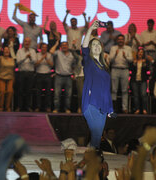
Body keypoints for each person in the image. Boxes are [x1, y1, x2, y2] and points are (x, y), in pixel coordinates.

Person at [82, 20, 114, 148]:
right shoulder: (89, 62)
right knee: (95, 135)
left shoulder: (104, 67)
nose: (96, 46)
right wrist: (90, 30)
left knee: (97, 138)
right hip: (90, 103)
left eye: (98, 44)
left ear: (101, 48)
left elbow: (107, 91)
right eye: (93, 44)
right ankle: (92, 162)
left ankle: (91, 162)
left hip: (103, 107)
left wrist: (110, 109)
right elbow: (84, 47)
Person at [109, 34, 133, 113]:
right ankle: (113, 107)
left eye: (122, 39)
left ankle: (125, 108)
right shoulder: (113, 48)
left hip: (125, 70)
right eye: (119, 39)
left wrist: (125, 56)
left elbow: (131, 60)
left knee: (125, 90)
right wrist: (115, 54)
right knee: (114, 90)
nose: (120, 41)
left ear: (124, 40)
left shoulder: (128, 48)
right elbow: (110, 60)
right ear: (117, 40)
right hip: (115, 69)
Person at [50, 41, 75, 113]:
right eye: (63, 45)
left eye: (66, 45)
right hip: (59, 76)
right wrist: (56, 44)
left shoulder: (72, 55)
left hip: (68, 77)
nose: (64, 47)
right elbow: (51, 51)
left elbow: (74, 66)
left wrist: (73, 74)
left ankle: (67, 109)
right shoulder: (58, 53)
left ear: (68, 46)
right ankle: (56, 109)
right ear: (61, 47)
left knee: (68, 95)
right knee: (57, 94)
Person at [16, 37, 37, 112]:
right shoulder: (19, 51)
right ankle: (19, 106)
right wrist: (25, 57)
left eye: (28, 42)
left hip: (30, 73)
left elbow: (34, 62)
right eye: (25, 41)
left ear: (30, 43)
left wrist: (30, 58)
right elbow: (18, 62)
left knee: (29, 91)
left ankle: (28, 106)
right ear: (23, 42)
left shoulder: (33, 51)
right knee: (20, 90)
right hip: (21, 73)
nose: (27, 43)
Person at [0, 47, 15, 112]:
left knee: (10, 92)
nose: (6, 51)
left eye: (7, 50)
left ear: (9, 52)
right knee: (1, 92)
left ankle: (7, 108)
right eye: (5, 50)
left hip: (10, 78)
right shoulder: (1, 58)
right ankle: (0, 107)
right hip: (1, 77)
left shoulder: (12, 59)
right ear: (3, 51)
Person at [35, 43, 53, 112]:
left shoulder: (49, 55)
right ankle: (38, 107)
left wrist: (46, 59)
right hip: (39, 74)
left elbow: (52, 65)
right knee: (38, 92)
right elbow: (35, 65)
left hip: (47, 75)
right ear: (41, 48)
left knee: (48, 92)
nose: (44, 49)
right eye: (43, 47)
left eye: (45, 47)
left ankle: (48, 107)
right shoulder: (37, 55)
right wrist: (42, 59)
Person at [130, 48, 150, 114]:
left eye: (142, 52)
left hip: (143, 80)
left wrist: (144, 64)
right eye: (139, 52)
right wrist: (134, 63)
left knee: (143, 95)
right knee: (136, 95)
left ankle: (144, 109)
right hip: (134, 80)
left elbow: (148, 70)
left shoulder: (146, 61)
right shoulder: (134, 61)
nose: (140, 53)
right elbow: (131, 69)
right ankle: (137, 109)